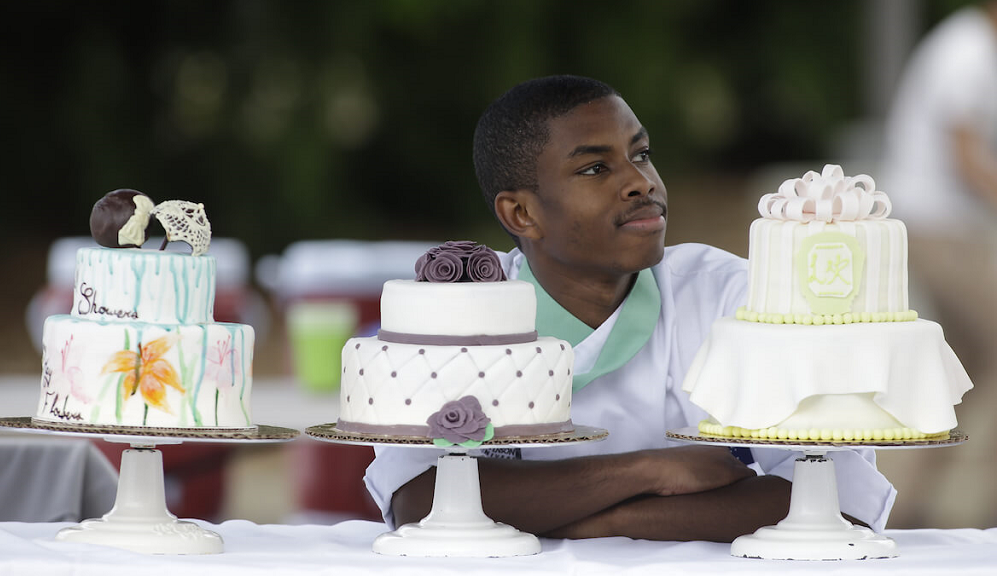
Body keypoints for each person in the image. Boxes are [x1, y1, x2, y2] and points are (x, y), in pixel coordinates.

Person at [365, 75, 895, 541]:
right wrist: (648, 471)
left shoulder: (735, 298)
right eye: (596, 168)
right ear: (522, 213)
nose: (642, 181)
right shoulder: (455, 313)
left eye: (640, 154)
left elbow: (834, 501)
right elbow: (418, 500)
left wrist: (604, 524)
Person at [879, 1, 997, 528]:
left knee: (957, 367)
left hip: (949, 227)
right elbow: (965, 156)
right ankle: (967, 506)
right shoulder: (965, 50)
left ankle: (904, 501)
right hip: (940, 227)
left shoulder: (977, 47)